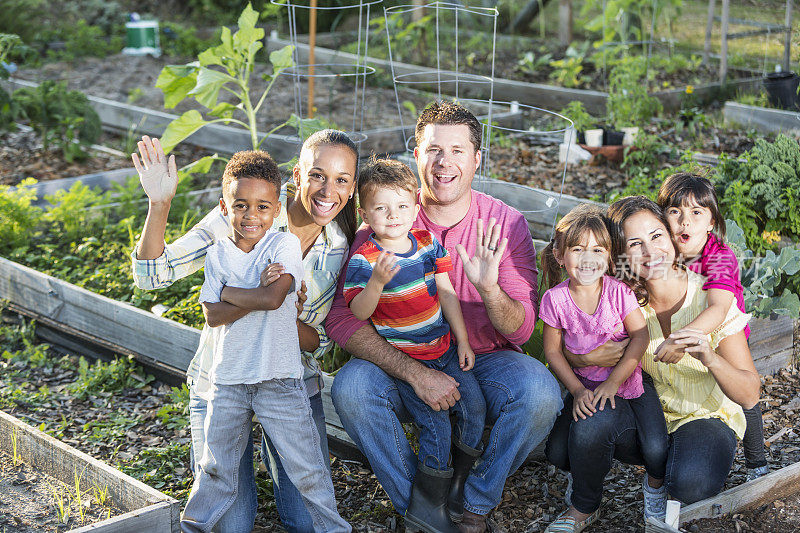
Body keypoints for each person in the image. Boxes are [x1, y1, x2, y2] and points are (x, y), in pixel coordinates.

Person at [327, 100, 562, 533]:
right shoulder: (385, 216)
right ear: (415, 154)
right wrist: (414, 374)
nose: (444, 162)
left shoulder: (505, 223)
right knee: (353, 388)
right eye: (434, 149)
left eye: (457, 150)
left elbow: (523, 327)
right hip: (405, 353)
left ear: (477, 159)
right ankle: (422, 508)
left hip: (482, 357)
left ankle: (472, 501)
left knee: (541, 393)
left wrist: (490, 289)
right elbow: (341, 318)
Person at [131, 130, 359, 532]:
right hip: (224, 381)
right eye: (318, 175)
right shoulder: (246, 211)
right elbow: (154, 275)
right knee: (228, 525)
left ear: (352, 186)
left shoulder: (340, 248)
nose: (328, 190)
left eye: (342, 179)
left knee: (308, 521)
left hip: (287, 383)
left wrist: (274, 307)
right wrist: (159, 203)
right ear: (297, 176)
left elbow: (316, 343)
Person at [546, 196, 760, 532]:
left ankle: (671, 475)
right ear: (619, 254)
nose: (650, 252)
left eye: (657, 236)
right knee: (564, 446)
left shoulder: (711, 298)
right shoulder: (622, 302)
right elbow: (576, 348)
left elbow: (749, 394)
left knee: (691, 483)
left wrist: (710, 356)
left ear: (672, 237)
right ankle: (585, 506)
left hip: (702, 416)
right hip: (646, 417)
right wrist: (579, 358)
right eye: (635, 243)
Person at [343, 157, 485, 531]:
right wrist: (375, 282)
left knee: (474, 408)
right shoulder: (365, 259)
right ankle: (428, 505)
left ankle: (455, 487)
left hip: (445, 349)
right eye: (382, 209)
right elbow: (358, 311)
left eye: (402, 206)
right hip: (409, 362)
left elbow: (447, 292)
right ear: (365, 213)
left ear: (416, 206)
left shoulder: (426, 243)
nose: (394, 216)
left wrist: (464, 339)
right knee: (435, 427)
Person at [539, 204, 665, 532]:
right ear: (560, 254)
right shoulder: (555, 300)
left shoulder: (618, 293)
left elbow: (641, 336)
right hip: (584, 384)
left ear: (609, 257)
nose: (588, 258)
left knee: (656, 448)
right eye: (578, 249)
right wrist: (579, 390)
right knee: (556, 452)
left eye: (597, 250)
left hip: (629, 381)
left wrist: (613, 383)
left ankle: (655, 490)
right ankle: (586, 476)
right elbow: (552, 352)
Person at [657, 172, 768, 481]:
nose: (684, 221)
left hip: (722, 329)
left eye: (696, 212)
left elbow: (718, 308)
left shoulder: (718, 256)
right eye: (675, 211)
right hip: (686, 326)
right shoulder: (666, 253)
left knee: (742, 392)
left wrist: (680, 340)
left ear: (711, 221)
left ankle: (757, 462)